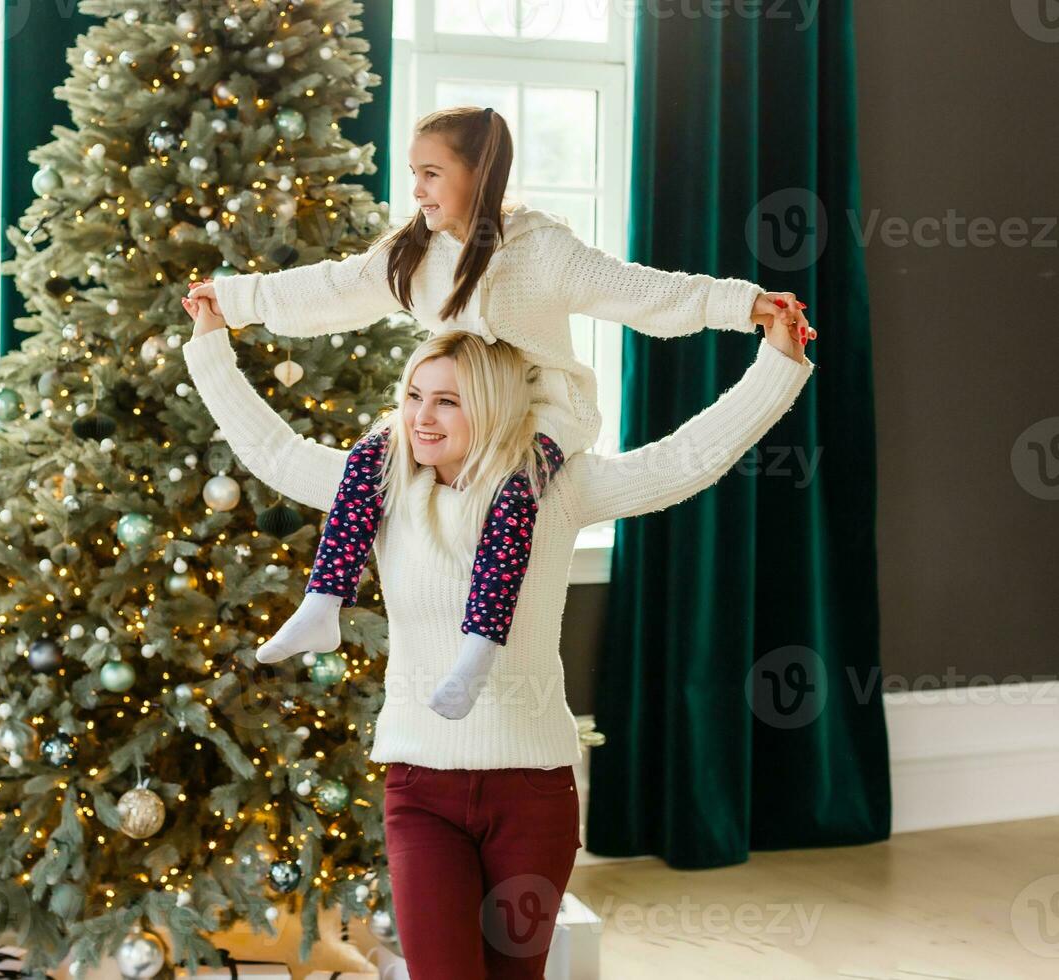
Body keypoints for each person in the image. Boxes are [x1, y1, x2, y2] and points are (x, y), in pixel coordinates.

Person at [178, 289, 815, 977]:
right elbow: (273, 451)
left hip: (531, 792)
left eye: (446, 401)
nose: (421, 417)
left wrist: (777, 363)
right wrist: (211, 340)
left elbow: (687, 458)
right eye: (415, 394)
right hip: (421, 789)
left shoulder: (558, 488)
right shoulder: (382, 487)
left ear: (490, 406)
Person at [187, 105, 816, 711]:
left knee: (515, 493)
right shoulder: (414, 252)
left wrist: (746, 305)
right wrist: (234, 301)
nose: (418, 190)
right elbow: (331, 288)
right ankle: (324, 601)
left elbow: (640, 290)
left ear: (478, 173)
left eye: (430, 174)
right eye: (413, 174)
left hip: (540, 414)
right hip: (466, 411)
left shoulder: (542, 251)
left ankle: (479, 648)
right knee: (365, 462)